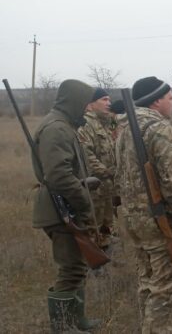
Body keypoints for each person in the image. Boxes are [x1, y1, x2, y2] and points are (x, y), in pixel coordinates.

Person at [115, 76, 172, 333]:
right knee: (165, 289)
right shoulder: (158, 129)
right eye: (170, 98)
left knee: (148, 282)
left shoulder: (125, 128)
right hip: (159, 221)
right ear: (156, 101)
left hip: (135, 221)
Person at [32, 79, 101, 332]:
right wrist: (84, 202)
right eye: (85, 103)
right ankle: (63, 327)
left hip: (64, 206)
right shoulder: (57, 128)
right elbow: (59, 176)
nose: (88, 108)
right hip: (61, 208)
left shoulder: (63, 125)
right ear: (74, 101)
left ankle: (76, 321)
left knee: (77, 265)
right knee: (70, 268)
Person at [77, 88, 119, 250]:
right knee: (92, 229)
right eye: (104, 99)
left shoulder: (105, 124)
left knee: (107, 228)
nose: (109, 103)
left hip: (106, 188)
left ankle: (107, 257)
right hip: (93, 188)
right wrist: (110, 172)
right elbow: (87, 158)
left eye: (109, 99)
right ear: (90, 105)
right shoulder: (85, 125)